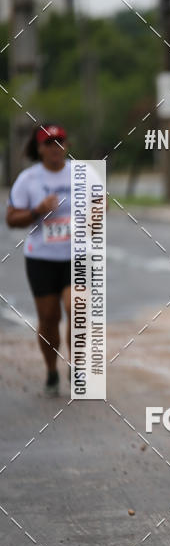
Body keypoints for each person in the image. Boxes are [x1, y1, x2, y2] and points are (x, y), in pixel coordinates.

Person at [6, 124, 72, 396]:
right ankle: (52, 371)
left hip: (76, 255)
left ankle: (77, 364)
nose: (55, 148)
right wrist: (38, 210)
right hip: (42, 258)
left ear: (66, 145)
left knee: (77, 307)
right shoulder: (28, 179)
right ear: (39, 148)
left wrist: (96, 211)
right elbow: (11, 218)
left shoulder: (81, 173)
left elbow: (101, 200)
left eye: (59, 142)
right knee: (49, 318)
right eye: (48, 143)